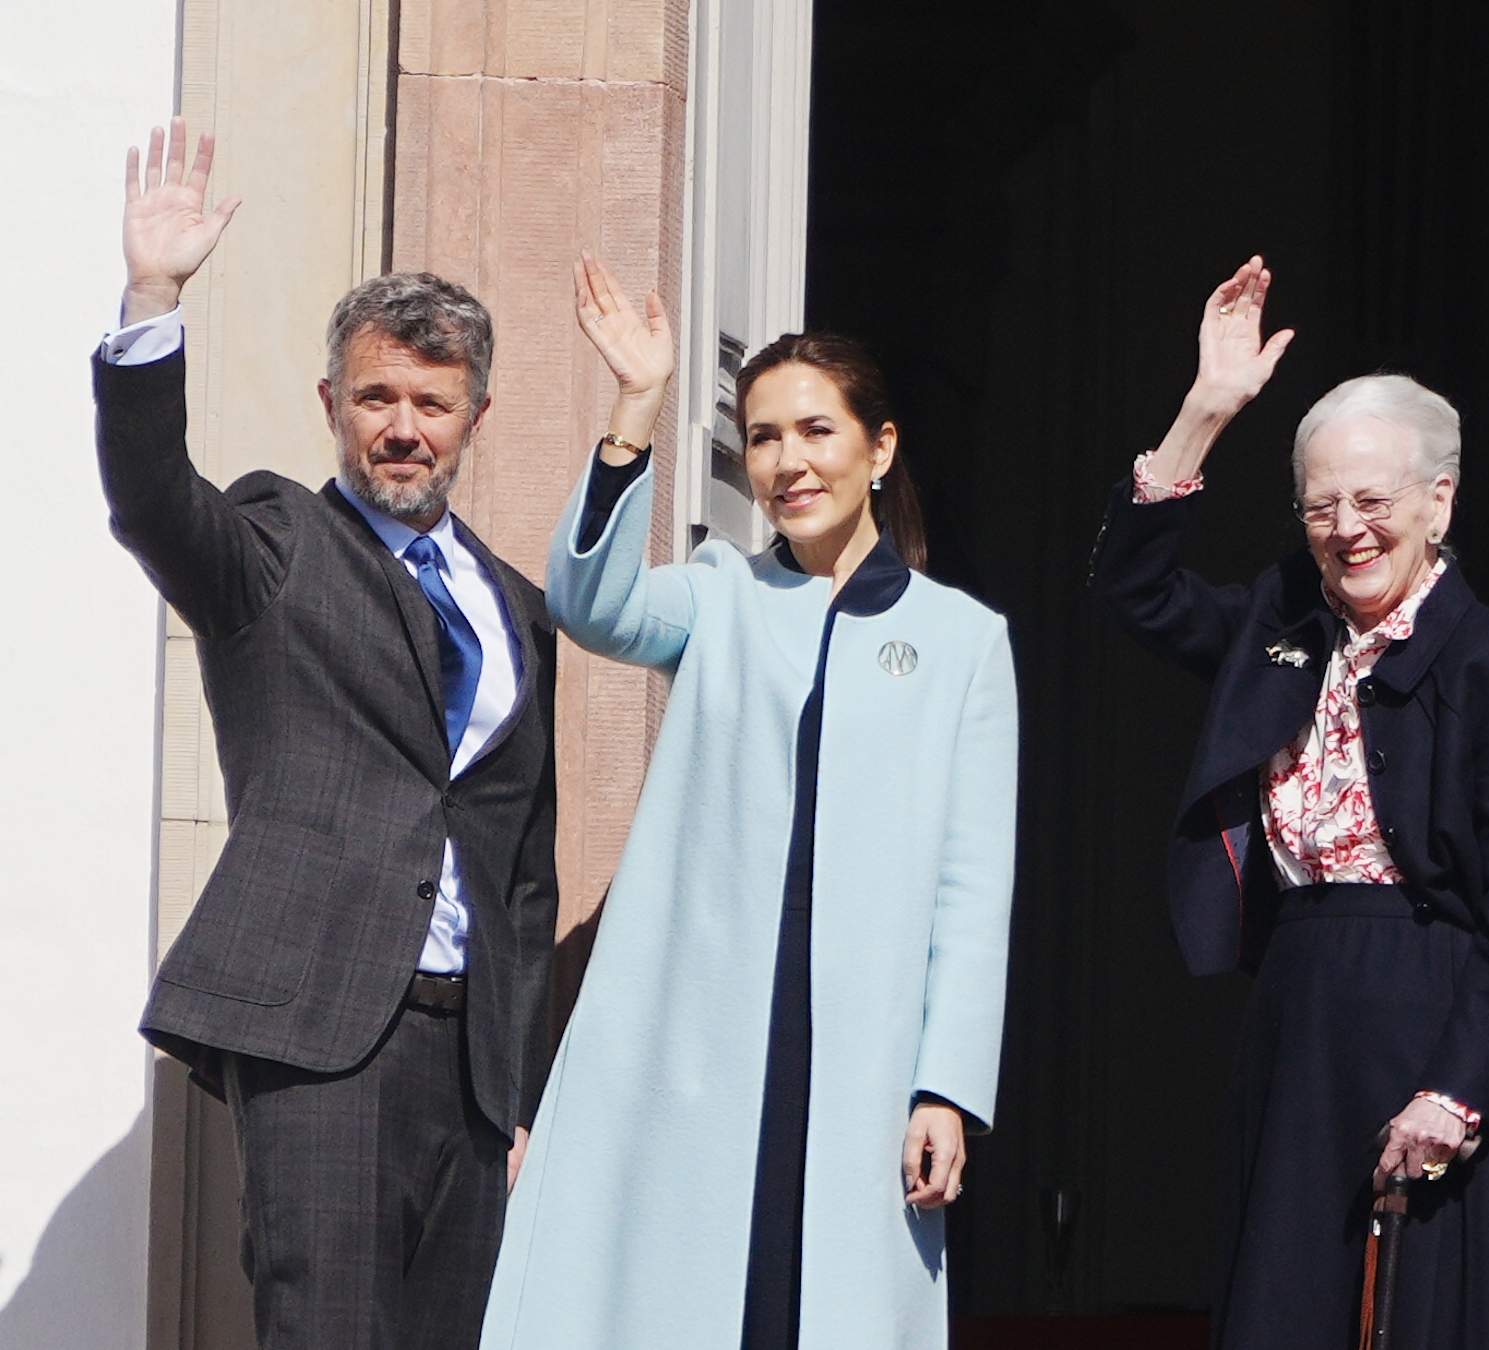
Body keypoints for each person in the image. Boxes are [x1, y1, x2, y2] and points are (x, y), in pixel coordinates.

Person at [480, 255, 1018, 1349]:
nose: (786, 461)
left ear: (881, 447)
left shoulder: (965, 640)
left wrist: (946, 1085)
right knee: (681, 1302)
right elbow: (592, 604)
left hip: (863, 1052)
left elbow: (974, 885)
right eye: (762, 437)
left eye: (816, 431)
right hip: (703, 1041)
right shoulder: (720, 596)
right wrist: (634, 411)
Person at [95, 118, 559, 1348]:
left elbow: (520, 867)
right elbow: (153, 506)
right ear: (332, 403)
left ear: (475, 415)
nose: (402, 428)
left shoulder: (516, 608)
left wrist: (515, 1083)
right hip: (323, 1036)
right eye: (377, 399)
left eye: (432, 403)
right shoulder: (279, 543)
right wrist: (151, 298)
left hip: (471, 1069)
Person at [1090, 255, 1489, 1348]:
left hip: (1445, 1008)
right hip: (1303, 1005)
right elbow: (1134, 595)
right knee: (1288, 1308)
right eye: (1320, 505)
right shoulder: (1283, 624)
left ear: (1438, 500)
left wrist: (1455, 1091)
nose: (1345, 528)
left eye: (1372, 501)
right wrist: (1203, 413)